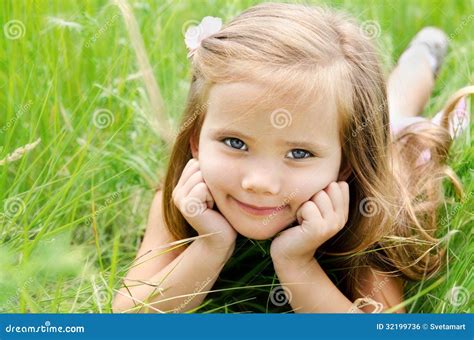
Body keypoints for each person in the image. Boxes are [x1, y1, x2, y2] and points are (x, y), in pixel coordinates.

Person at [112, 2, 472, 313]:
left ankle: (421, 57)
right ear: (196, 138)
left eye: (299, 153)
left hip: (398, 152)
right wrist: (210, 246)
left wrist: (297, 263)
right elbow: (128, 312)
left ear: (347, 161)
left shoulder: (371, 214)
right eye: (235, 143)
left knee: (412, 124)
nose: (260, 183)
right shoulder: (182, 198)